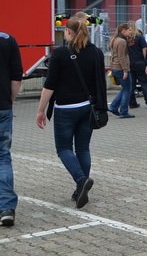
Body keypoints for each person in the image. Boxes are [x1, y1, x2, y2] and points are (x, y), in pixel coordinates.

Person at [34, 17, 106, 209]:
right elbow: (100, 82)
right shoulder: (96, 53)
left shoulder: (60, 54)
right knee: (83, 148)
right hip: (87, 107)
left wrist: (41, 110)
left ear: (68, 32)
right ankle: (79, 190)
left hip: (65, 109)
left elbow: (49, 85)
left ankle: (81, 180)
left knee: (64, 148)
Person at [0, 29, 23, 227]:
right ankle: (6, 207)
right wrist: (10, 101)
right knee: (3, 156)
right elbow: (16, 77)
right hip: (2, 108)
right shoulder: (8, 40)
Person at [108, 23, 135, 118]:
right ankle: (123, 111)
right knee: (127, 89)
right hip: (120, 68)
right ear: (123, 30)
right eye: (129, 30)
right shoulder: (121, 41)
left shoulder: (114, 39)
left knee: (125, 88)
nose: (130, 32)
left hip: (115, 67)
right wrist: (125, 70)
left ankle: (113, 106)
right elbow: (121, 56)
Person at [127, 25, 147, 109]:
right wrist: (146, 62)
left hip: (129, 63)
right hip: (140, 63)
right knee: (144, 83)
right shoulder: (140, 37)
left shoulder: (126, 39)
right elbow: (145, 50)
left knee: (131, 85)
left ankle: (132, 103)